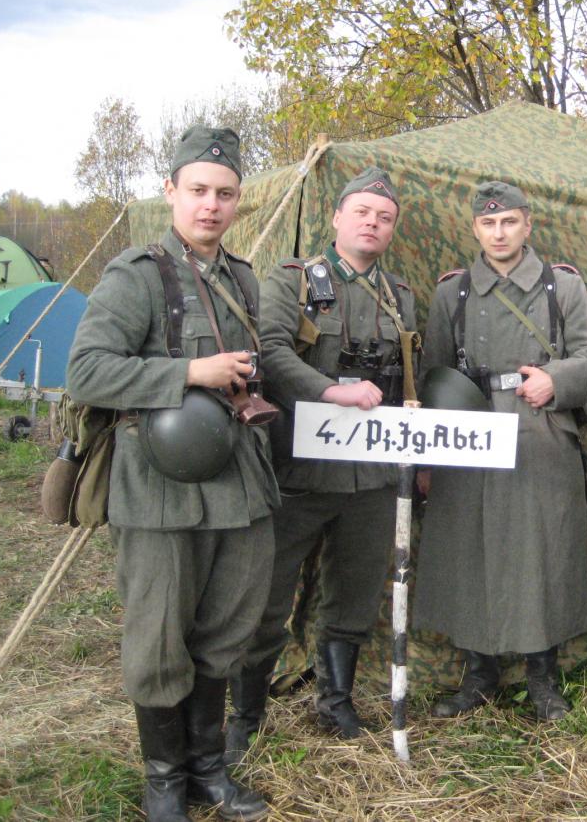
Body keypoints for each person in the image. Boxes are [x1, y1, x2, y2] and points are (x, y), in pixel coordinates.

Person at [67, 126, 277, 821]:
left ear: (238, 200)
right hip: (159, 489)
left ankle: (207, 770)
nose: (211, 205)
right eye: (198, 190)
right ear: (170, 191)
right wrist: (190, 371)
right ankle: (163, 780)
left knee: (226, 629)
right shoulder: (138, 274)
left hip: (237, 484)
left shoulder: (242, 276)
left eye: (225, 194)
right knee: (159, 637)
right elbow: (86, 371)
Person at [224, 168, 416, 760]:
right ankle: (245, 716)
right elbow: (270, 352)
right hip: (299, 470)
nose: (372, 223)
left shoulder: (401, 295)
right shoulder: (294, 280)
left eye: (384, 217)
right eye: (361, 212)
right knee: (267, 595)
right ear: (336, 218)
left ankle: (336, 702)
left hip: (372, 474)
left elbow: (410, 377)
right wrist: (330, 391)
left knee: (355, 593)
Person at [413, 180, 587, 721]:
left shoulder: (561, 287)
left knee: (540, 552)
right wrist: (430, 458)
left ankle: (542, 678)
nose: (499, 232)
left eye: (509, 222)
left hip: (539, 431)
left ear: (528, 224)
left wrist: (557, 379)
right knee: (469, 552)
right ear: (475, 229)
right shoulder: (452, 293)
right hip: (470, 431)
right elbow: (433, 374)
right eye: (489, 223)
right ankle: (478, 676)